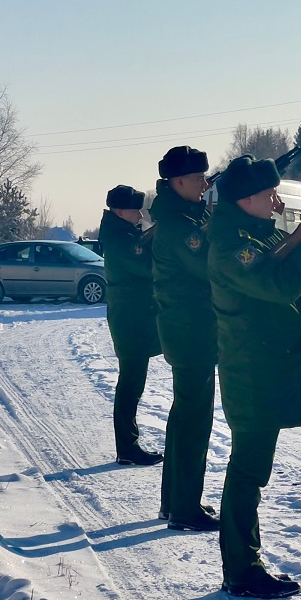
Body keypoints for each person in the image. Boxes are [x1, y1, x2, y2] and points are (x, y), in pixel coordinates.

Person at [208, 155, 301, 599]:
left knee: (252, 470)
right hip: (252, 373)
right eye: (268, 193)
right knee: (247, 471)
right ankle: (242, 571)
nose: (276, 200)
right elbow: (280, 283)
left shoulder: (254, 233)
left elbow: (290, 255)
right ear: (245, 199)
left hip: (261, 367)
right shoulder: (232, 246)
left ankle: (245, 564)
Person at [150, 146, 220, 532]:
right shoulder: (178, 224)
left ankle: (175, 500)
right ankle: (185, 509)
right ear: (177, 182)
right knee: (194, 421)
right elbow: (205, 262)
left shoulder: (185, 215)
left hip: (190, 329)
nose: (204, 184)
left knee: (184, 417)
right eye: (197, 178)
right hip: (190, 331)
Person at [99, 185, 163, 466]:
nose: (139, 214)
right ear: (119, 211)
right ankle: (127, 447)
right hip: (130, 321)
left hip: (134, 319)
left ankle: (128, 445)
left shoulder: (122, 234)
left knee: (132, 384)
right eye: (135, 209)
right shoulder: (118, 239)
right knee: (130, 385)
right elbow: (146, 265)